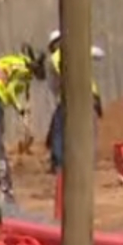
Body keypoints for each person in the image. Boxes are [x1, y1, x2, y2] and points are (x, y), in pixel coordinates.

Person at [0, 47, 42, 200]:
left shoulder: (11, 61)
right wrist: (20, 108)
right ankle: (3, 181)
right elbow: (10, 90)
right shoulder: (24, 70)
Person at [44, 30, 105, 175]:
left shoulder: (53, 59)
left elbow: (54, 86)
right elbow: (99, 54)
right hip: (87, 96)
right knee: (86, 129)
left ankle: (60, 163)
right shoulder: (74, 52)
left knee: (59, 130)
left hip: (72, 97)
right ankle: (83, 163)